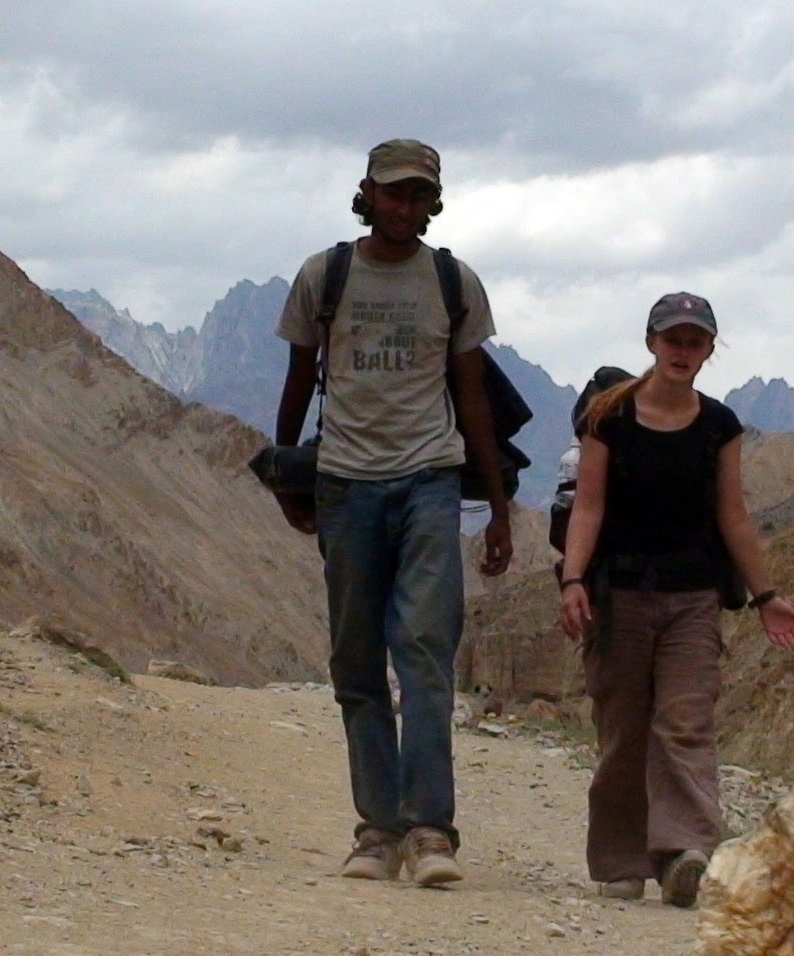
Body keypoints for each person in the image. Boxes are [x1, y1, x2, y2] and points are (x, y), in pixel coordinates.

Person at [272, 138, 512, 887]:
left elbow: (472, 397)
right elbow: (298, 380)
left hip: (429, 482)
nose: (404, 207)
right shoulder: (326, 276)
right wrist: (287, 476)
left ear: (432, 203)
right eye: (392, 193)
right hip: (345, 484)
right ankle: (377, 829)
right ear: (367, 194)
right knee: (355, 659)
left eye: (418, 195)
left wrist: (499, 508)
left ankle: (430, 831)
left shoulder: (452, 280)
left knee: (426, 650)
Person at [556, 291, 794, 907]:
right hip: (619, 595)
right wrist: (573, 581)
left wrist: (766, 593)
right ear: (651, 342)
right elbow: (588, 504)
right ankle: (621, 860)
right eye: (674, 338)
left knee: (687, 723)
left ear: (709, 350)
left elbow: (733, 514)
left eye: (696, 341)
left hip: (693, 596)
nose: (683, 350)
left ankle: (684, 853)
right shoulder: (609, 416)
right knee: (624, 728)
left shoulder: (718, 424)